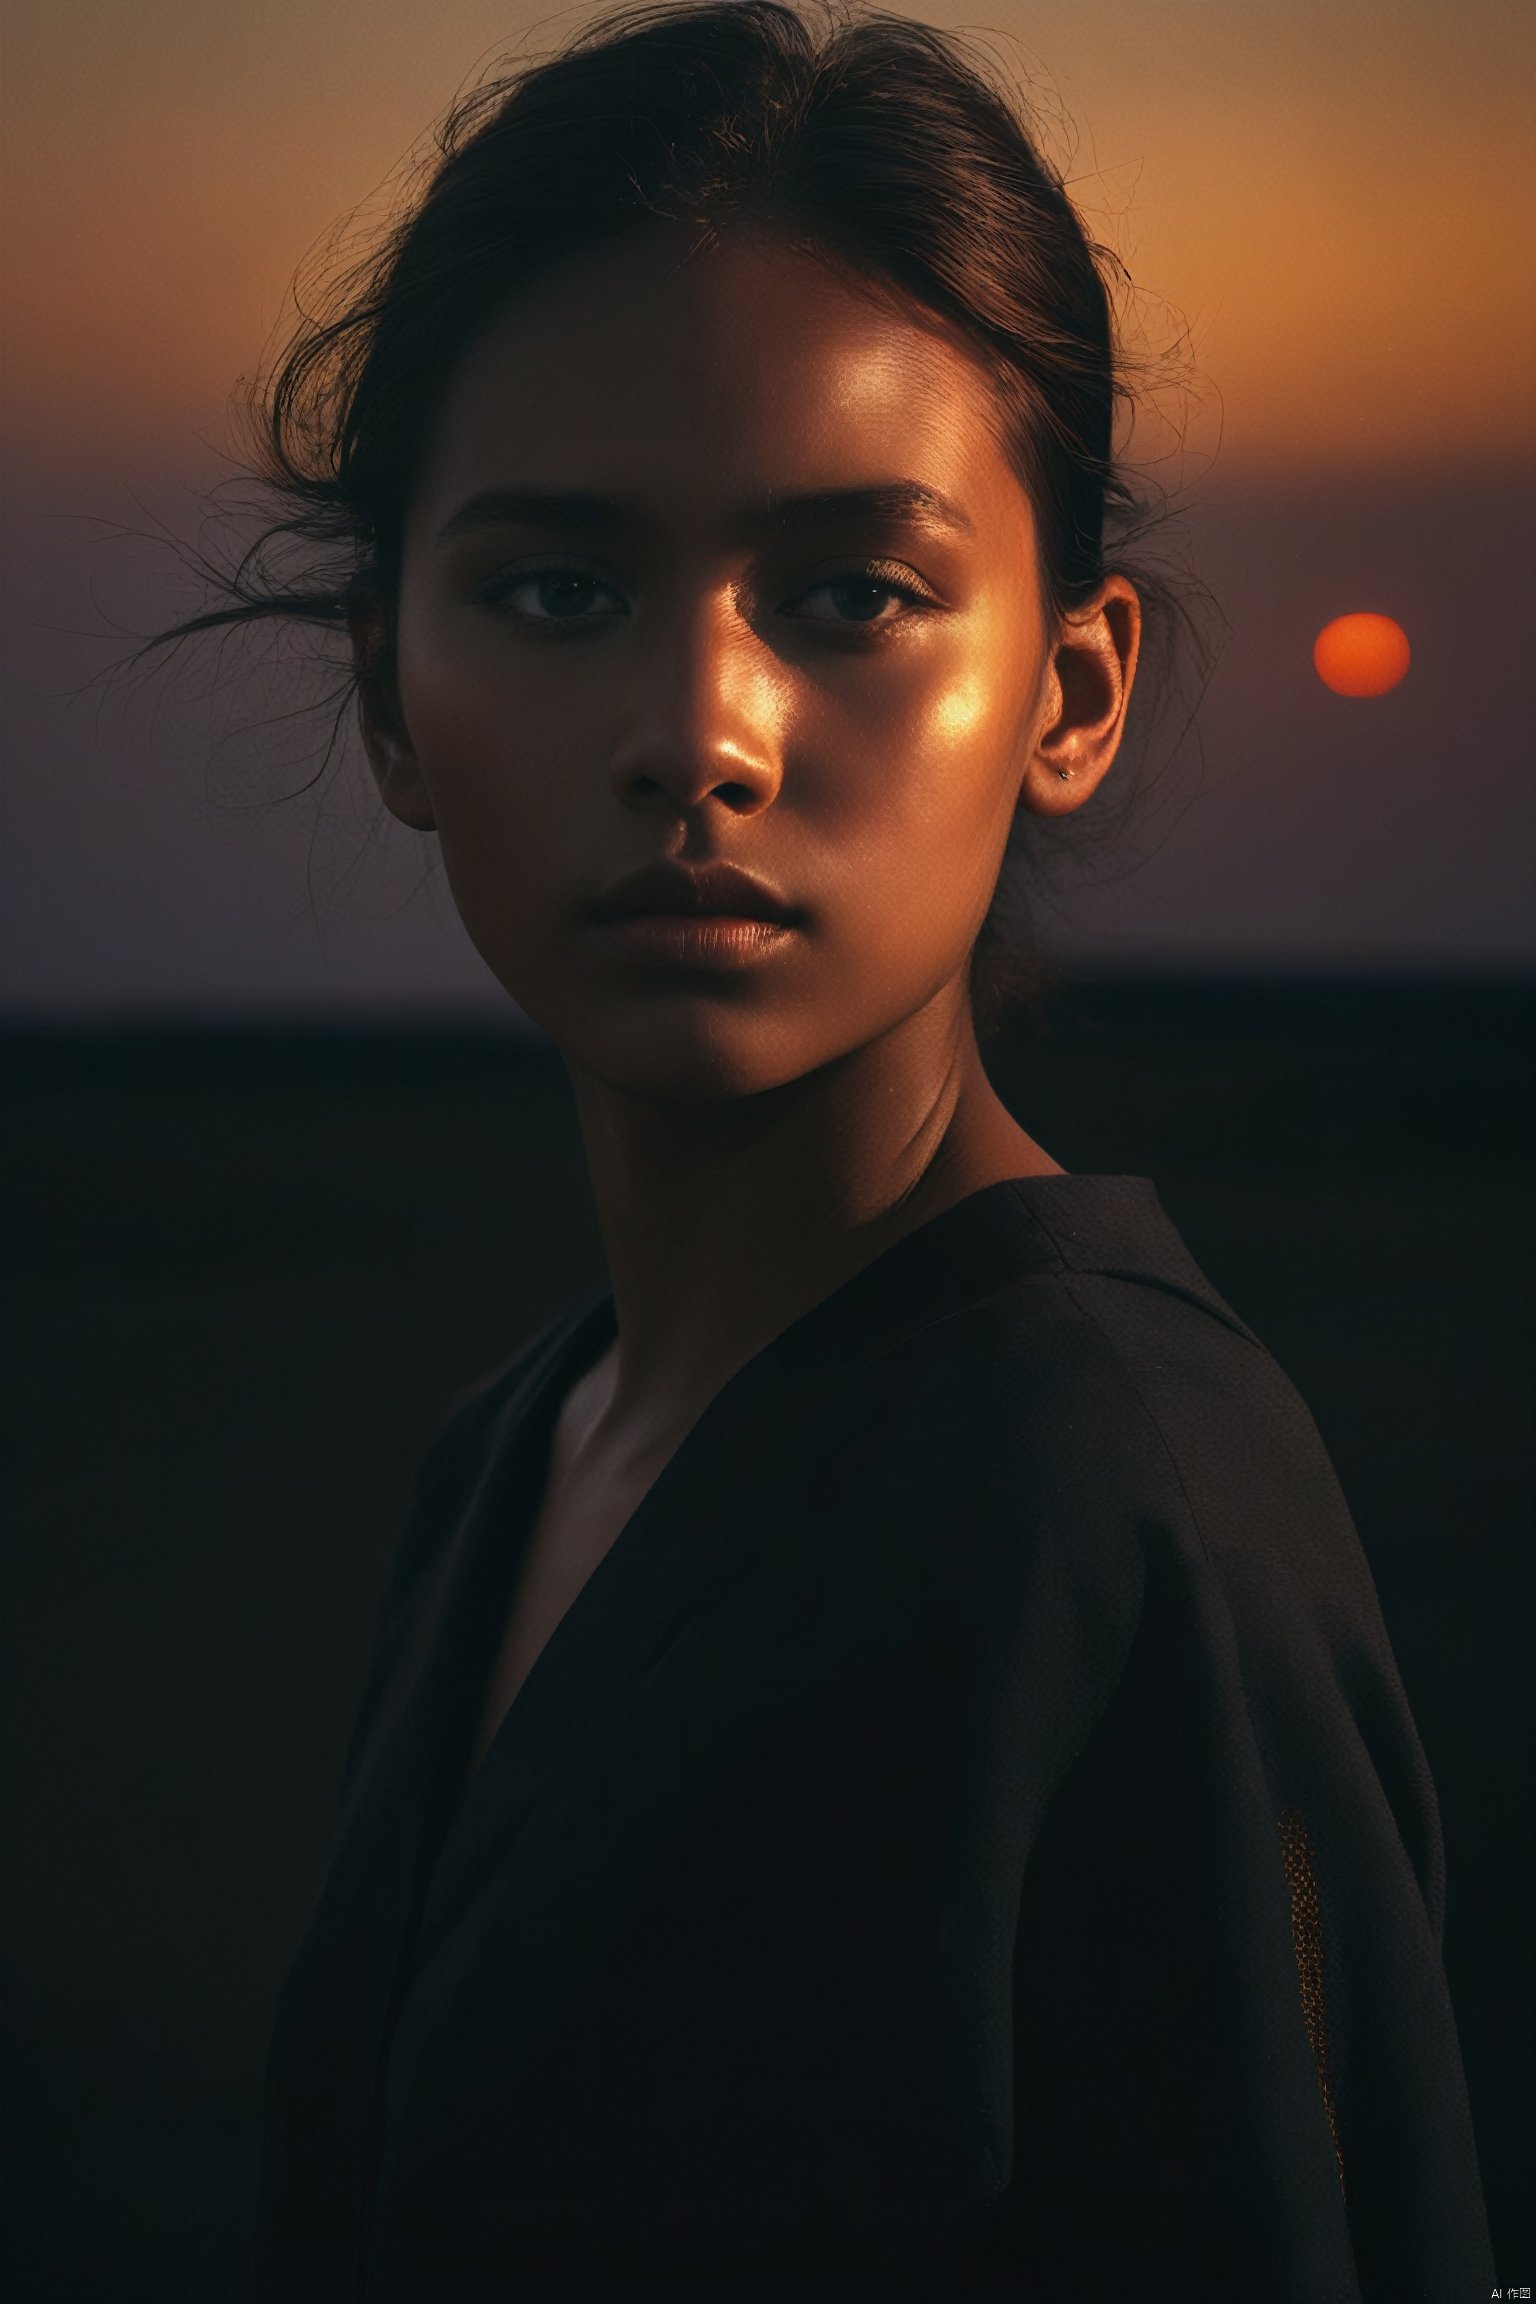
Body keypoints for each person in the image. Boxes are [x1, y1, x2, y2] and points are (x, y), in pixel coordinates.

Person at [149, 4, 1495, 2294]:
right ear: (390, 695)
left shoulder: (1119, 1508)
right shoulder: (514, 1459)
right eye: (561, 590)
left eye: (851, 593)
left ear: (1069, 693)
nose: (700, 735)